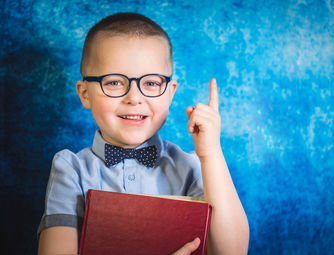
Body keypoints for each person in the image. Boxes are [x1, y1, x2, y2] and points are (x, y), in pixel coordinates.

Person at [37, 12, 249, 255]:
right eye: (114, 82)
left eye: (150, 83)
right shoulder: (70, 168)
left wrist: (211, 153)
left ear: (170, 93)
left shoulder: (193, 166)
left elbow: (233, 251)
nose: (134, 98)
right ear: (85, 93)